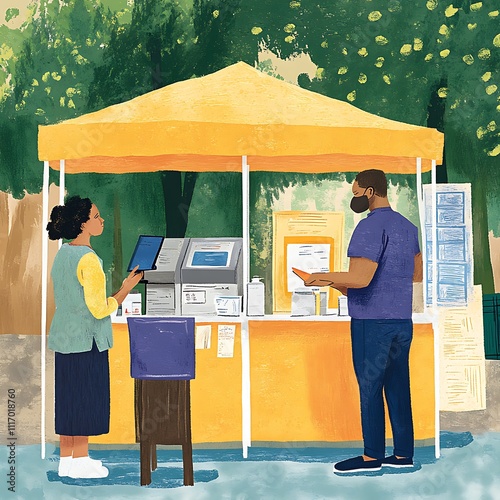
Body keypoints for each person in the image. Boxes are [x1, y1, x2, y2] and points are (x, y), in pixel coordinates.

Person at [305, 169, 423, 473]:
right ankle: (403, 454)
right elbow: (416, 275)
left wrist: (320, 276)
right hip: (401, 322)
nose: (354, 198)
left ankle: (371, 456)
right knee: (398, 387)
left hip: (372, 324)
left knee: (370, 388)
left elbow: (359, 278)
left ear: (370, 192)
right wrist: (337, 284)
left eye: (356, 193)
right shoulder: (408, 228)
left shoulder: (368, 228)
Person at [46, 195, 143, 479]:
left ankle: (67, 460)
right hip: (87, 340)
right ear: (84, 224)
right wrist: (125, 289)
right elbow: (99, 309)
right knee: (86, 398)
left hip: (65, 338)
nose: (102, 221)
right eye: (97, 217)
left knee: (68, 399)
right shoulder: (89, 259)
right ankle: (82, 459)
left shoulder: (63, 253)